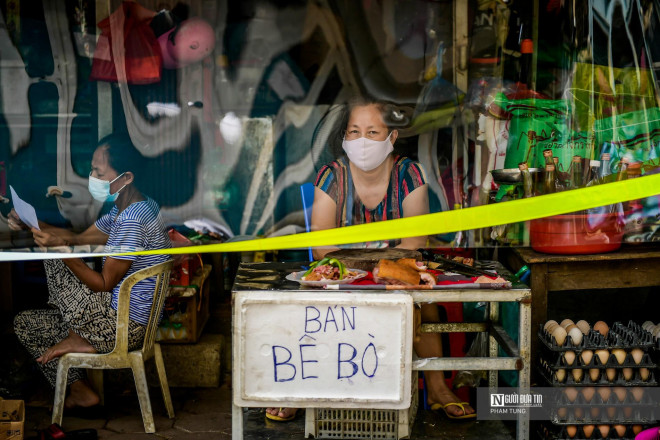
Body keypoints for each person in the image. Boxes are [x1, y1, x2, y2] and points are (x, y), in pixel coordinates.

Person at [265, 97, 475, 422]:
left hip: (394, 277)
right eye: (354, 131)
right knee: (310, 306)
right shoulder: (331, 176)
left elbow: (414, 242)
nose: (362, 141)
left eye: (373, 132)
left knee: (424, 302)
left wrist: (380, 269)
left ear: (392, 138)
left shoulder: (410, 175)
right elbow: (321, 243)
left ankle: (436, 386)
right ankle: (301, 389)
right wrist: (360, 267)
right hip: (341, 276)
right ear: (345, 138)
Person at [9, 133, 171, 411]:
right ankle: (80, 390)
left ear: (126, 177)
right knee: (27, 324)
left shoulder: (132, 220)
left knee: (53, 258)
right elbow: (78, 237)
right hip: (109, 317)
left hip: (121, 328)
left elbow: (103, 283)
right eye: (92, 169)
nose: (92, 176)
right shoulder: (128, 208)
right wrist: (30, 223)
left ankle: (78, 332)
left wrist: (61, 251)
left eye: (99, 170)